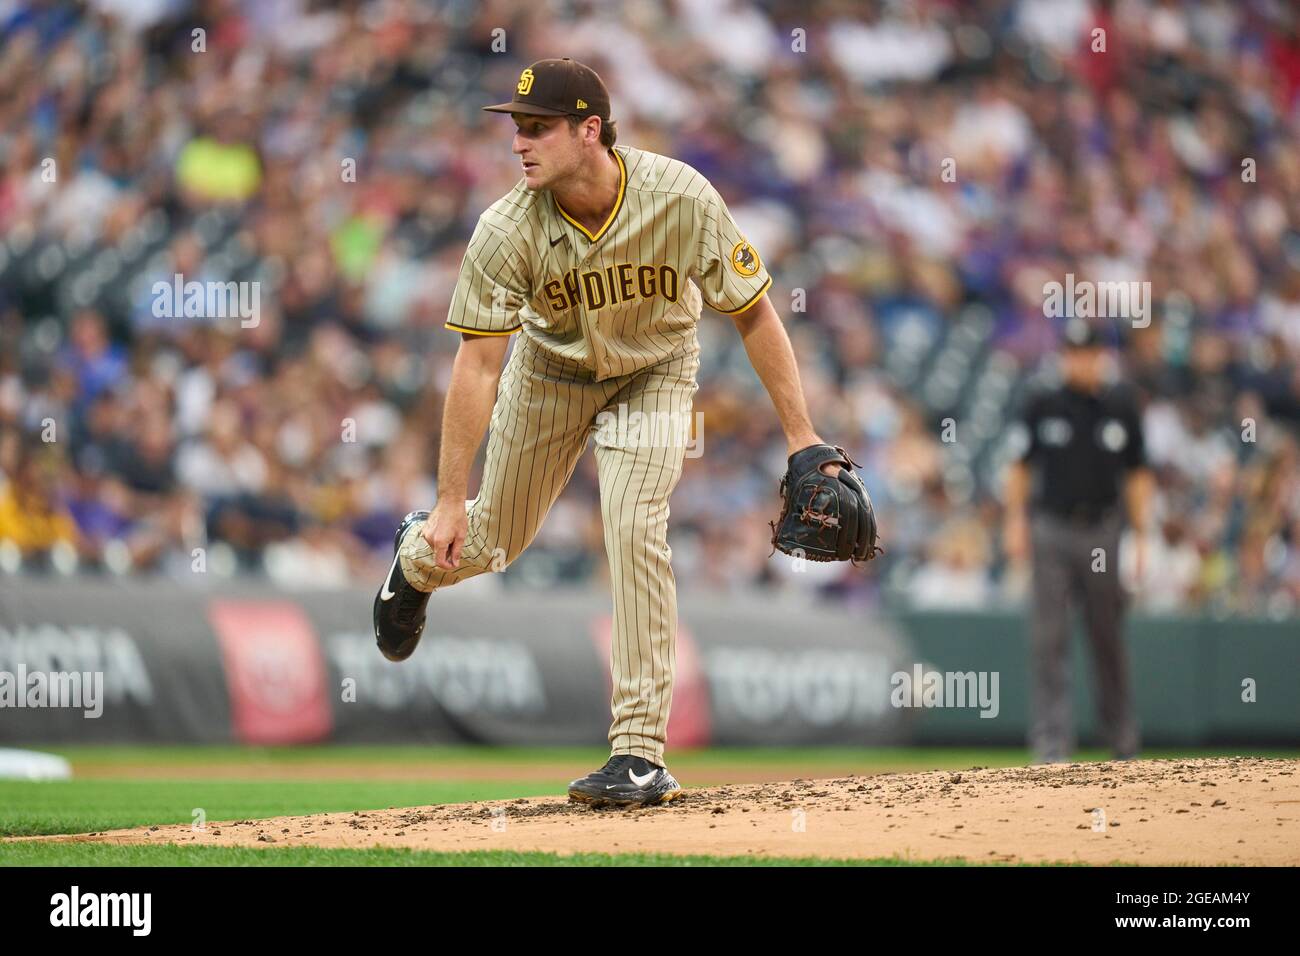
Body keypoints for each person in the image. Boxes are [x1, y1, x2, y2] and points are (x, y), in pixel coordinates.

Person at [372, 57, 850, 807]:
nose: (520, 143)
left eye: (538, 128)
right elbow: (476, 368)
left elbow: (753, 309)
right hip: (549, 376)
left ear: (589, 130)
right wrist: (446, 498)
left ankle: (637, 752)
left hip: (654, 372)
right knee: (489, 539)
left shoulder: (679, 196)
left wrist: (801, 435)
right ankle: (413, 566)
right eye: (516, 129)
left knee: (633, 524)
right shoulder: (505, 229)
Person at [1004, 318, 1153, 764]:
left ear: (1100, 356)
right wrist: (1014, 520)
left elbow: (1138, 474)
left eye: (1087, 353)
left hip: (1103, 531)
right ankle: (1052, 748)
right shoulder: (1042, 401)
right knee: (1049, 639)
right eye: (1072, 353)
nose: (1080, 361)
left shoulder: (1121, 403)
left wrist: (1143, 535)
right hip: (1052, 529)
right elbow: (1019, 465)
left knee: (1106, 634)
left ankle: (1122, 740)